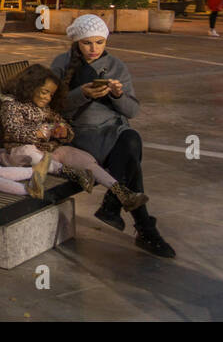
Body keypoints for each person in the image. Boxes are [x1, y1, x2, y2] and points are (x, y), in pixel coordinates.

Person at [50, 14, 175, 258]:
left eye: (100, 42)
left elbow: (133, 111)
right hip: (81, 138)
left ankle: (114, 205)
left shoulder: (117, 65)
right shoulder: (61, 64)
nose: (94, 48)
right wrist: (82, 93)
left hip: (113, 132)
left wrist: (118, 95)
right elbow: (51, 107)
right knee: (131, 159)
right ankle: (142, 226)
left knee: (131, 140)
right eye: (87, 43)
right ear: (77, 42)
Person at [0, 64, 148, 210]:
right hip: (22, 152)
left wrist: (63, 132)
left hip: (51, 152)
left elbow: (64, 126)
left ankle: (120, 192)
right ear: (30, 87)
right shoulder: (12, 105)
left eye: (51, 95)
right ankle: (72, 173)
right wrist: (43, 131)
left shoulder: (45, 109)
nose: (48, 98)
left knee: (81, 158)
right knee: (30, 154)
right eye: (45, 92)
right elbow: (13, 129)